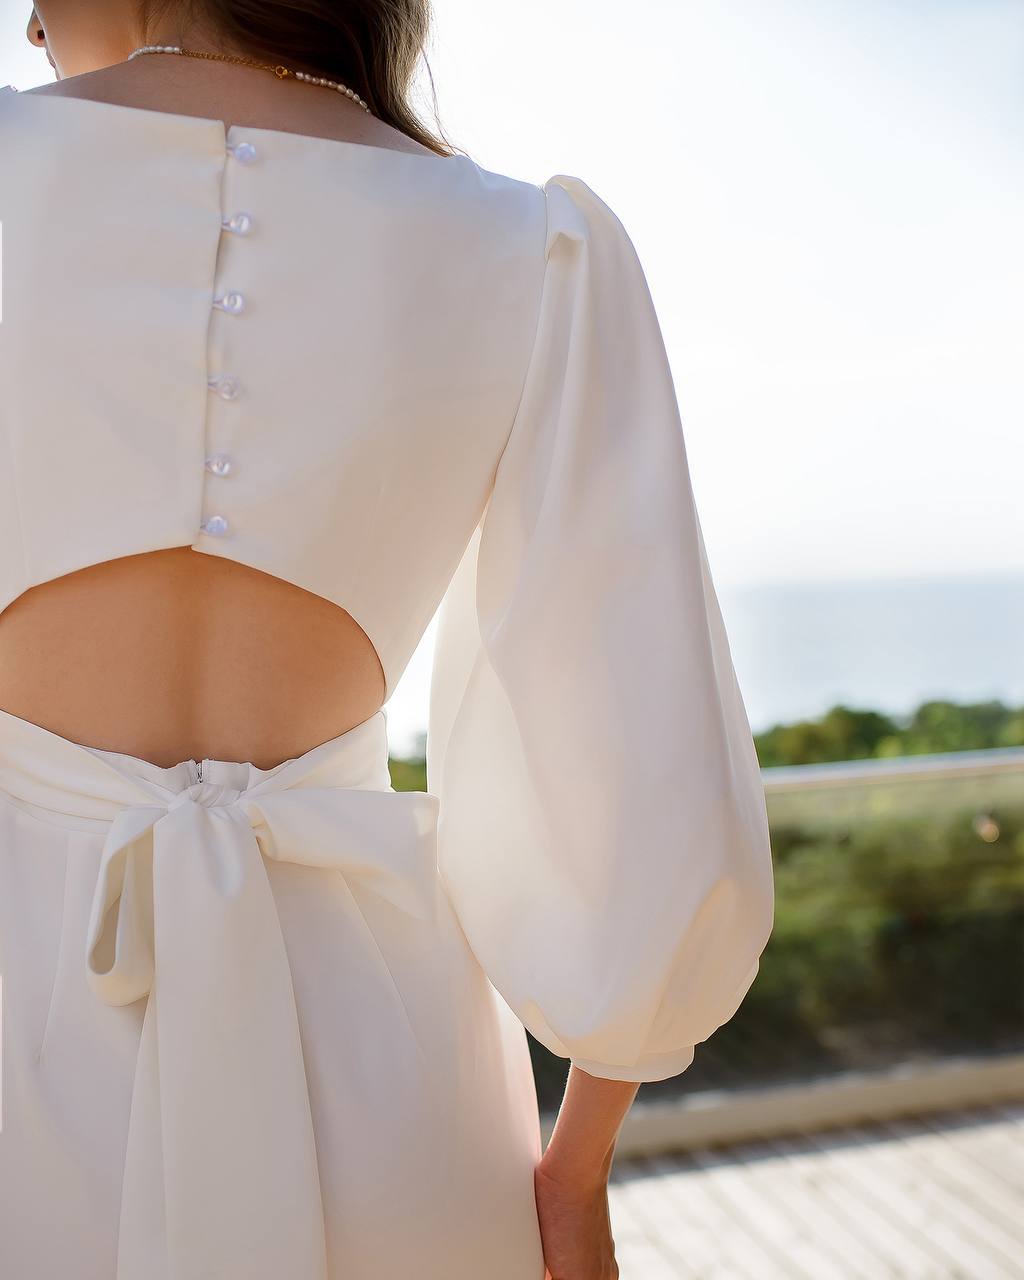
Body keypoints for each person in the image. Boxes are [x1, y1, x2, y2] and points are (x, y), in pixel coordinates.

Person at [0, 3, 776, 1278]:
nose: (29, 23)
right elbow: (640, 747)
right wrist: (573, 1174)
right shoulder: (525, 244)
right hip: (388, 1081)